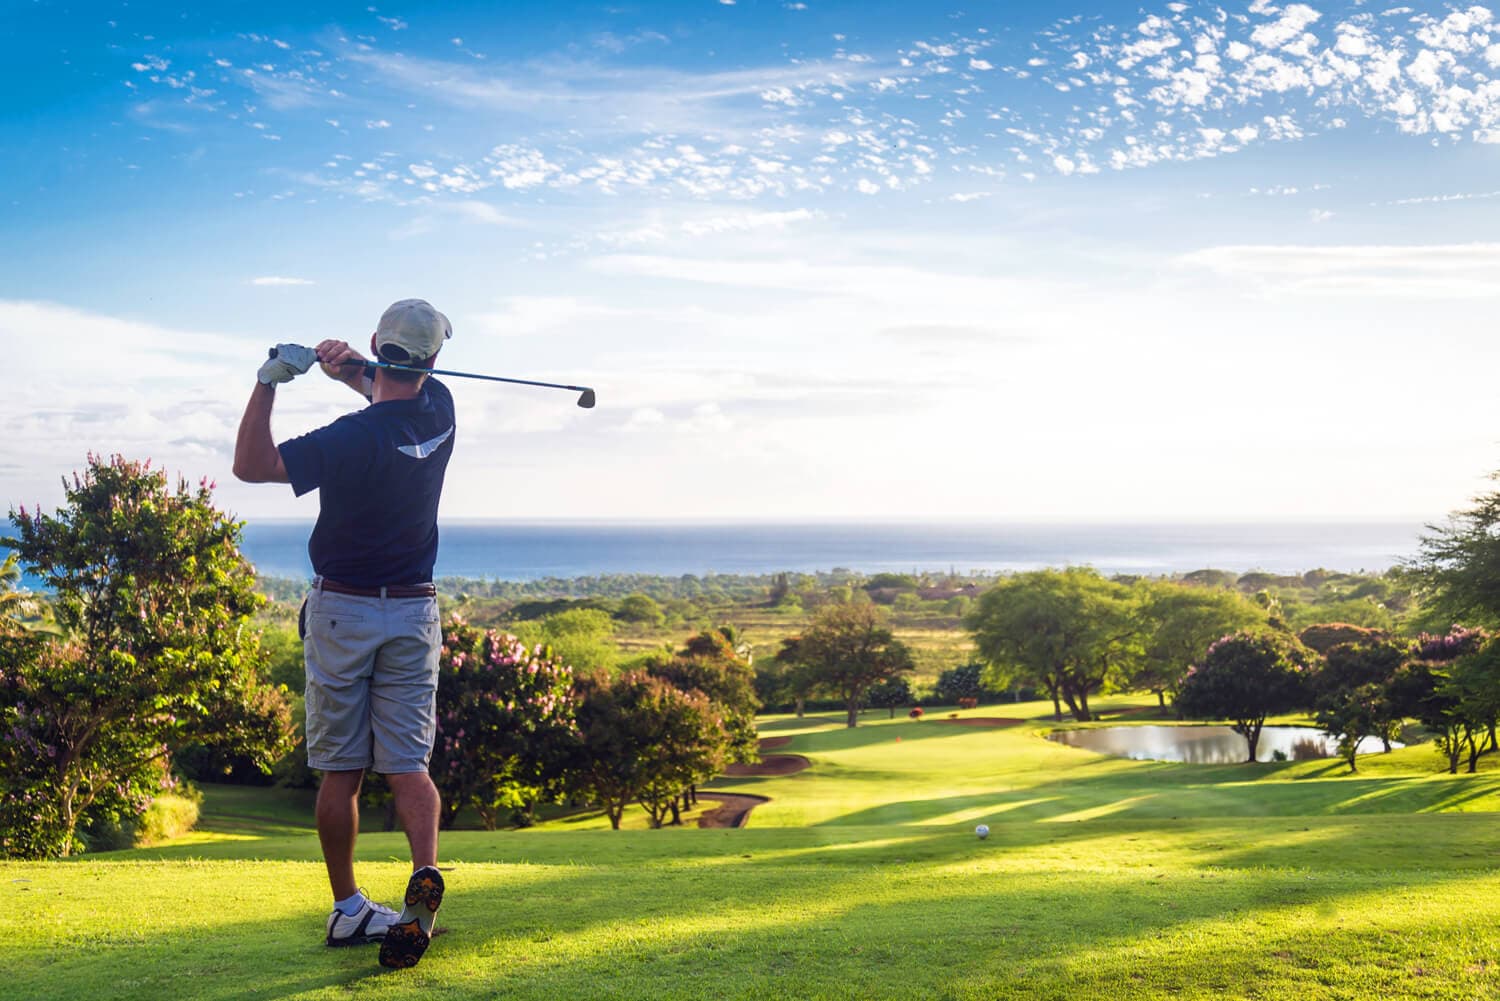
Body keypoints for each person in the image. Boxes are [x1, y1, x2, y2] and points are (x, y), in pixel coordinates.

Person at [232, 299, 456, 970]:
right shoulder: (442, 408)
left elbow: (252, 464)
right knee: (408, 765)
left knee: (343, 769)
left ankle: (349, 908)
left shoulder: (348, 439)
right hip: (414, 612)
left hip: (343, 611)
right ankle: (423, 880)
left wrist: (270, 378)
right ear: (435, 359)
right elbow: (387, 386)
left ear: (375, 343)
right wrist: (348, 371)